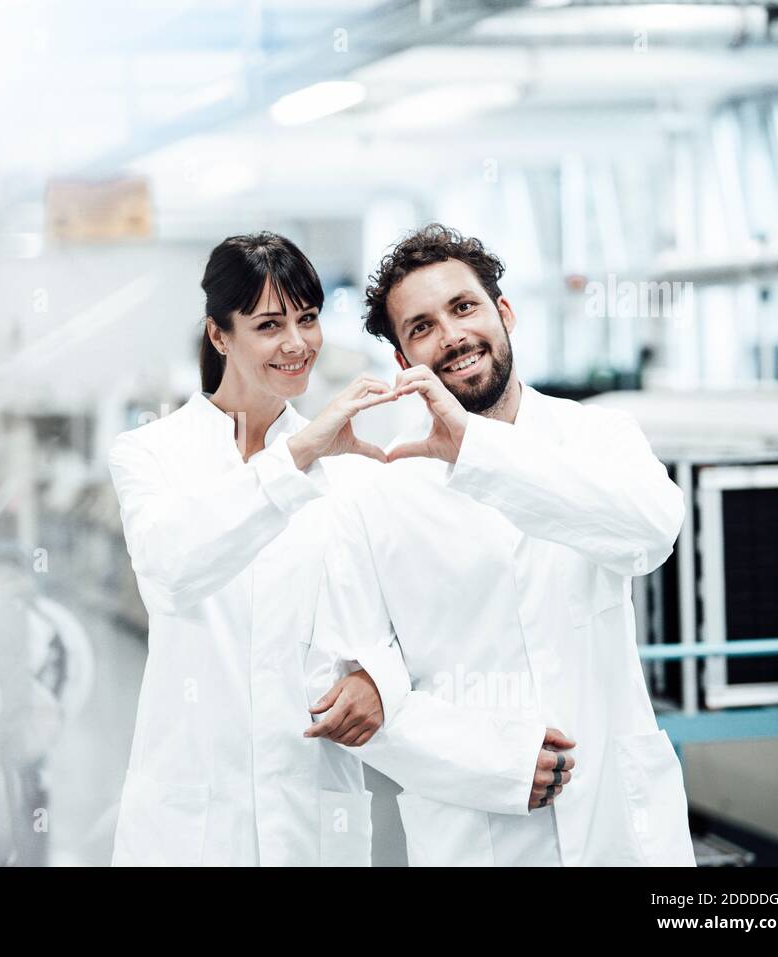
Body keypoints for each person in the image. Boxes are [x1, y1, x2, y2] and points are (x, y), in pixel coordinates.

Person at [108, 231, 534, 866]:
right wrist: (299, 454)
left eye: (307, 320)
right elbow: (172, 572)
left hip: (311, 812)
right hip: (190, 819)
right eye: (269, 324)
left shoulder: (353, 472)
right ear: (219, 336)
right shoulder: (150, 455)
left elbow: (390, 630)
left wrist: (375, 680)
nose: (297, 344)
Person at [306, 223, 695, 866]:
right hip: (478, 837)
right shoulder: (374, 492)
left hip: (619, 825)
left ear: (503, 314)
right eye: (421, 327)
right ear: (404, 363)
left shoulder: (598, 436)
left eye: (464, 307)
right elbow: (351, 707)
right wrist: (496, 763)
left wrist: (478, 453)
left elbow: (651, 532)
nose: (452, 336)